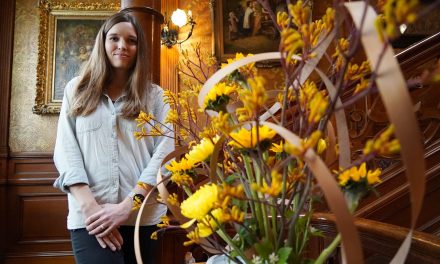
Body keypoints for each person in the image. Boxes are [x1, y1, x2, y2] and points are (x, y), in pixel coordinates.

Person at [53, 11, 174, 264]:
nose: (122, 46)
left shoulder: (156, 97)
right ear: (103, 42)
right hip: (90, 218)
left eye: (131, 40)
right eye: (115, 38)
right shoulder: (75, 90)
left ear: (139, 48)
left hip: (142, 217)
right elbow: (66, 152)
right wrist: (92, 209)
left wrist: (126, 207)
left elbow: (165, 154)